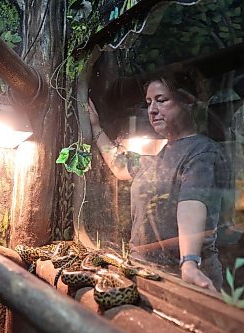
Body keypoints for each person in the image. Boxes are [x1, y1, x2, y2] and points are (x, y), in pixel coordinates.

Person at [87, 65, 230, 291]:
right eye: (148, 102)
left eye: (161, 100)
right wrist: (95, 127)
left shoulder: (202, 152)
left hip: (183, 279)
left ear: (187, 101)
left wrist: (190, 263)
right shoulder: (160, 154)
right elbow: (120, 167)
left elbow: (192, 205)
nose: (151, 109)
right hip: (148, 272)